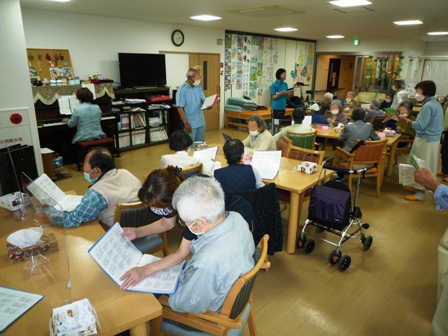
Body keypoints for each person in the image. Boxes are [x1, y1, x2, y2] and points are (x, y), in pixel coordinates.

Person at [119, 168, 254, 290]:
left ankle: (231, 288)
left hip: (236, 215)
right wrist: (137, 232)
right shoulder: (174, 188)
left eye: (158, 208)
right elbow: (167, 223)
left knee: (219, 261)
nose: (154, 210)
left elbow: (182, 253)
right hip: (216, 216)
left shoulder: (193, 210)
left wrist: (145, 270)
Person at [167, 176, 255, 313]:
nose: (186, 225)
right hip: (228, 286)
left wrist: (166, 296)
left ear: (201, 222)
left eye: (185, 221)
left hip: (210, 313)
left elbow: (184, 306)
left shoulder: (207, 262)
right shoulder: (237, 217)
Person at [51, 147, 141, 227]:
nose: (84, 170)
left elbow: (71, 220)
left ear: (97, 171)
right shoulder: (126, 173)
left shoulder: (97, 193)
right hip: (141, 224)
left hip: (118, 232)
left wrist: (49, 214)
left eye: (85, 166)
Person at [399, 80, 444, 201]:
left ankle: (420, 193)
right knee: (421, 164)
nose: (416, 93)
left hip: (426, 140)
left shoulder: (428, 106)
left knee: (421, 165)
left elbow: (420, 125)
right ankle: (417, 187)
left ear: (426, 92)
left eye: (418, 90)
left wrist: (406, 120)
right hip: (432, 139)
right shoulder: (435, 104)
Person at [176, 68, 209, 143]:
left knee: (200, 145)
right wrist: (186, 123)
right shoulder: (182, 90)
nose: (199, 79)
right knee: (190, 146)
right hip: (190, 123)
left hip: (200, 122)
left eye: (200, 77)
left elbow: (203, 100)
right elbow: (179, 108)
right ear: (190, 78)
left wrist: (207, 105)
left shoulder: (198, 87)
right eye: (197, 78)